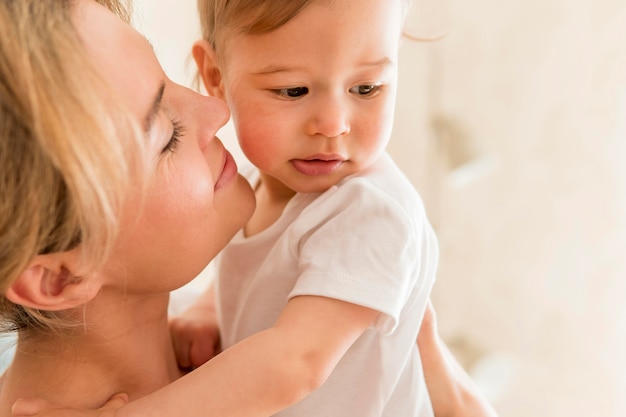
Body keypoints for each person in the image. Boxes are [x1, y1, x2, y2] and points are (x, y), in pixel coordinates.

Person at [1, 0, 496, 416]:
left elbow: (295, 353)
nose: (216, 110)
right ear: (59, 277)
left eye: (365, 88)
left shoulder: (364, 210)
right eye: (165, 135)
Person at [172, 0, 438, 415]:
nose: (333, 124)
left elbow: (296, 363)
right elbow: (268, 275)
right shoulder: (256, 183)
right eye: (293, 90)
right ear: (216, 76)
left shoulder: (367, 211)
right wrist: (210, 308)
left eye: (366, 88)